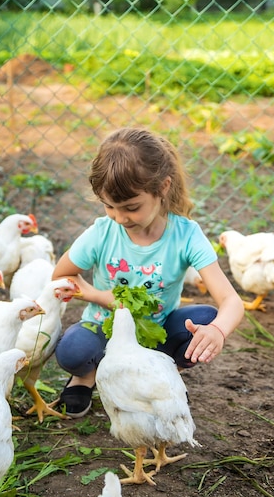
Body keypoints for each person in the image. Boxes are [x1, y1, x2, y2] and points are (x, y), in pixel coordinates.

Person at [52, 127, 244, 418]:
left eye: (131, 207)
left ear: (163, 187)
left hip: (156, 335)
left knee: (204, 319)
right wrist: (99, 296)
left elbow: (231, 301)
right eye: (109, 206)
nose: (119, 217)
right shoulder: (103, 233)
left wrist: (217, 330)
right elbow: (61, 275)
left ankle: (163, 372)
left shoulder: (185, 235)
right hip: (106, 331)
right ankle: (86, 376)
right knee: (71, 351)